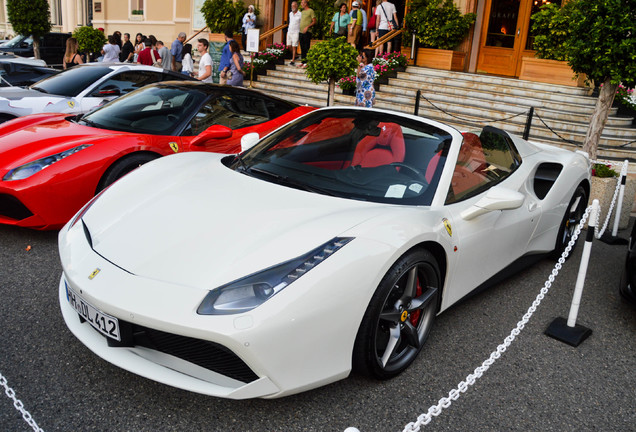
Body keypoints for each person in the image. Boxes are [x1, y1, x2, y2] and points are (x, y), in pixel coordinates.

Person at [297, 0, 316, 68]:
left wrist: (307, 27)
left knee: (306, 47)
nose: (301, 4)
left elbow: (314, 21)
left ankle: (307, 63)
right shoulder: (302, 12)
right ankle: (303, 62)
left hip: (307, 32)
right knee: (302, 47)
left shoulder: (310, 11)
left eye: (302, 3)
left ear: (305, 3)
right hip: (300, 32)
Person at [287, 1, 302, 65]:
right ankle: (295, 55)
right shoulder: (290, 13)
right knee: (288, 46)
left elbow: (301, 23)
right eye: (292, 6)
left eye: (294, 6)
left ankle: (293, 60)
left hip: (296, 32)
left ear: (297, 6)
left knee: (294, 46)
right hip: (290, 31)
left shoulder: (300, 14)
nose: (292, 7)